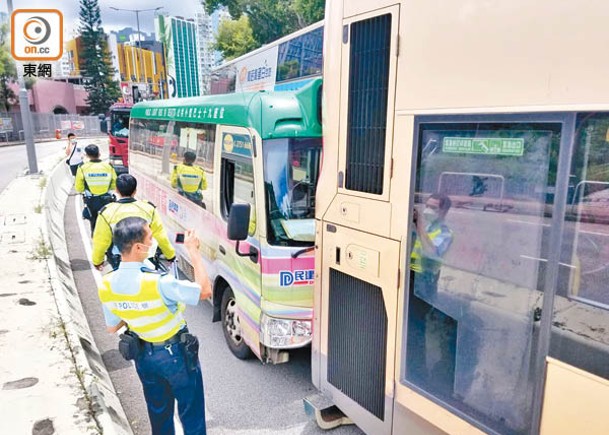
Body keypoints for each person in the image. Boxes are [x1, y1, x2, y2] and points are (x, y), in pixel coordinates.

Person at [98, 217, 212, 434]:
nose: (153, 242)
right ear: (139, 247)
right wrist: (193, 251)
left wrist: (135, 311)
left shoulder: (107, 284)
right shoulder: (159, 282)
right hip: (176, 355)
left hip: (144, 357)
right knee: (192, 414)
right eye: (150, 238)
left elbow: (112, 327)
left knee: (159, 416)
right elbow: (205, 291)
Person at [407, 193, 455, 393]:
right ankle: (409, 366)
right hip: (411, 278)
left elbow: (432, 253)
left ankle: (419, 376)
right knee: (407, 329)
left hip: (425, 285)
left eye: (433, 207)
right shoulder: (426, 227)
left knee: (418, 331)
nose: (428, 210)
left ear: (443, 211)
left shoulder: (446, 233)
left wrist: (418, 227)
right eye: (427, 205)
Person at [92, 174, 176, 270]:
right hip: (145, 257)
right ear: (135, 191)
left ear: (117, 190)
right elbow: (161, 236)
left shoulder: (107, 212)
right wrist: (170, 255)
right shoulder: (148, 209)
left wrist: (97, 261)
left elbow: (101, 241)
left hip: (120, 260)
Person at [75, 144, 117, 234]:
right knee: (108, 222)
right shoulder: (108, 166)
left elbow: (79, 188)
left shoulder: (82, 167)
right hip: (107, 200)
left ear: (87, 155)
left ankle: (96, 242)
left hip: (91, 201)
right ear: (99, 154)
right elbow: (114, 184)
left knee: (93, 222)